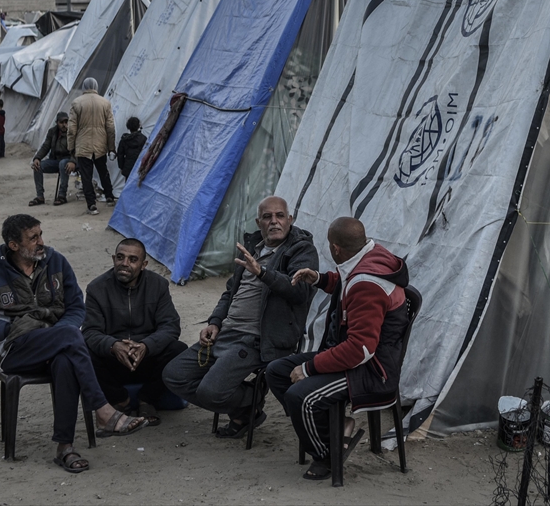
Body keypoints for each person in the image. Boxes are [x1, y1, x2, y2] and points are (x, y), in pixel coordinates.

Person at [0, 215, 148, 473]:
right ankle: (104, 411)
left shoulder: (55, 261)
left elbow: (75, 307)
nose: (41, 242)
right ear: (14, 245)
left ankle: (65, 449)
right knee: (71, 339)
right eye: (33, 238)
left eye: (41, 234)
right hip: (16, 350)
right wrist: (8, 327)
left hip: (57, 342)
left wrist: (59, 333)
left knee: (65, 358)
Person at [267, 216, 410, 481]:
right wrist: (321, 279)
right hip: (353, 355)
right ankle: (331, 429)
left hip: (370, 370)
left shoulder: (368, 283)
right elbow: (347, 283)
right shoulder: (369, 255)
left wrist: (309, 368)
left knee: (300, 396)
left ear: (335, 249)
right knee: (277, 372)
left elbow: (360, 350)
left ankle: (327, 454)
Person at [163, 196, 318, 439]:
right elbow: (230, 292)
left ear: (290, 220)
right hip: (226, 333)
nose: (274, 222)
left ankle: (252, 399)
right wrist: (214, 322)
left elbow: (300, 292)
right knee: (173, 375)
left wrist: (263, 272)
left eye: (279, 216)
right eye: (267, 217)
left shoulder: (301, 249)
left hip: (259, 339)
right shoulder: (253, 247)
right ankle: (245, 409)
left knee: (209, 393)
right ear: (259, 222)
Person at [83, 238, 188, 424]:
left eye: (132, 259)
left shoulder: (158, 285)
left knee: (178, 350)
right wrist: (113, 345)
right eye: (120, 258)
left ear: (143, 264)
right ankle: (120, 400)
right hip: (114, 362)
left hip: (147, 360)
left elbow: (170, 326)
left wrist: (146, 346)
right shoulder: (96, 289)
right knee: (83, 351)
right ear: (114, 259)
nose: (125, 264)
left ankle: (147, 399)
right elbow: (90, 331)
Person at [68, 77, 116, 215]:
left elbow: (72, 129)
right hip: (100, 145)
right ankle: (109, 197)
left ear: (84, 86)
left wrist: (71, 147)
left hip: (83, 145)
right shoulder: (105, 103)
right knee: (103, 171)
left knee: (86, 176)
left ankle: (92, 205)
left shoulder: (76, 103)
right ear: (96, 86)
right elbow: (110, 128)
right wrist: (111, 147)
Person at [30, 112, 74, 206]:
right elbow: (45, 146)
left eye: (66, 122)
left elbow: (78, 149)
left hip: (69, 160)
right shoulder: (52, 132)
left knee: (63, 164)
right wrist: (37, 158)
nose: (64, 125)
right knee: (39, 166)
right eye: (61, 122)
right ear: (57, 122)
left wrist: (73, 161)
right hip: (56, 160)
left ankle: (62, 195)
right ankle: (40, 196)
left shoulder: (72, 132)